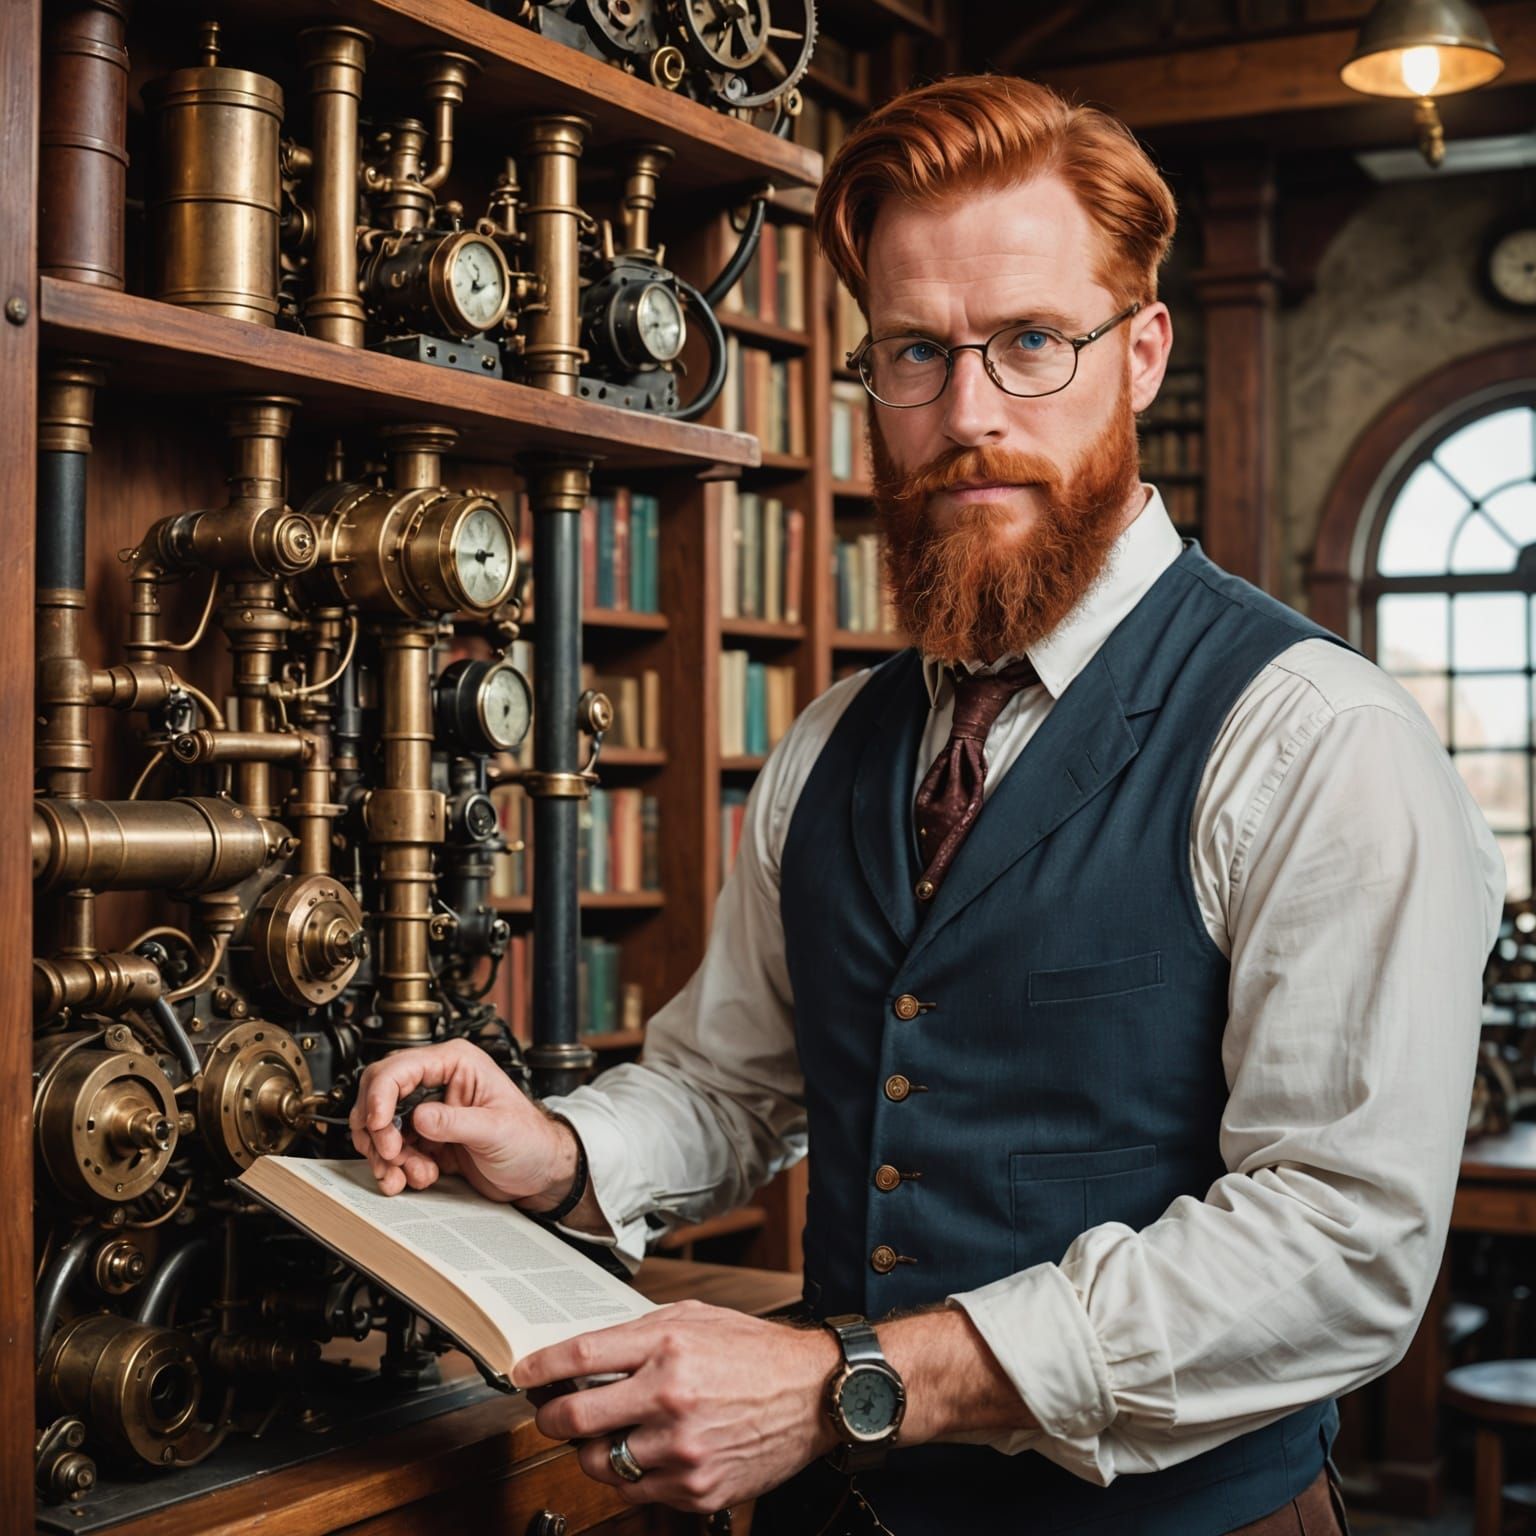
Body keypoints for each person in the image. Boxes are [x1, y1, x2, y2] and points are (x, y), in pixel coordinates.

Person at [350, 75, 1505, 1535]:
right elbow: (737, 1085)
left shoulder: (1320, 739)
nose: (967, 416)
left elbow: (1342, 1249)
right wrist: (565, 1152)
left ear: (1141, 353)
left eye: (1031, 341)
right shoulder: (833, 739)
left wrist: (849, 1382)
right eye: (913, 352)